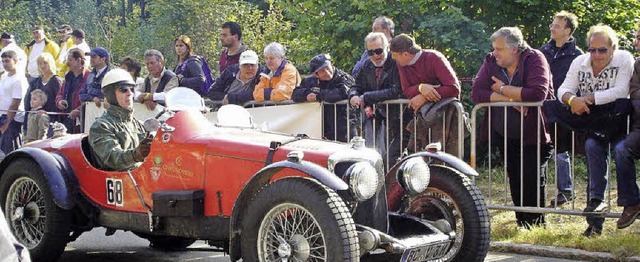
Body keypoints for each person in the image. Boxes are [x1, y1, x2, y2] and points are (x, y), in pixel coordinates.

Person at [555, 24, 634, 236]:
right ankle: (595, 216)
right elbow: (562, 89)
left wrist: (587, 99)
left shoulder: (624, 58)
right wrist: (572, 100)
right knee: (591, 148)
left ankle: (630, 203)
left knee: (621, 151)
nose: (596, 55)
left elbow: (621, 90)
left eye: (602, 50)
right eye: (592, 49)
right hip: (595, 123)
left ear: (613, 48)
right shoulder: (579, 62)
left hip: (620, 120)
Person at [471, 27, 553, 229]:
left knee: (532, 177)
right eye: (494, 48)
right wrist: (510, 98)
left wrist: (499, 87)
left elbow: (537, 94)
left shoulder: (535, 58)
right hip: (504, 132)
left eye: (499, 49)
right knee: (515, 176)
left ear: (515, 49)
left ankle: (535, 225)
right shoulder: (491, 61)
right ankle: (522, 224)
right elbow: (477, 92)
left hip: (534, 133)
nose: (494, 53)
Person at [389, 33, 462, 156]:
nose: (393, 58)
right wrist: (421, 88)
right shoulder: (402, 64)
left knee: (443, 156)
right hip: (419, 115)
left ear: (405, 54)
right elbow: (406, 90)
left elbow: (454, 88)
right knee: (405, 152)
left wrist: (424, 96)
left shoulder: (434, 58)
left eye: (395, 55)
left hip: (444, 117)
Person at [539, 11, 584, 207]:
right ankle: (538, 190)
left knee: (561, 149)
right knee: (542, 148)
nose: (552, 27)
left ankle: (565, 190)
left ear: (568, 30)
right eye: (552, 24)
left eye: (556, 25)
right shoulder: (543, 51)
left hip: (564, 108)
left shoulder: (578, 55)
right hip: (542, 107)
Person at [348, 32, 403, 165]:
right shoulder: (366, 65)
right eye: (370, 52)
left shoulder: (396, 63)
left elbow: (397, 90)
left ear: (387, 47)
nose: (375, 55)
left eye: (379, 51)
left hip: (396, 118)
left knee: (391, 158)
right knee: (371, 156)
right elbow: (356, 86)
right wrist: (353, 95)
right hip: (373, 119)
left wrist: (367, 97)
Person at [89, 68, 151, 171]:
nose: (129, 93)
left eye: (132, 89)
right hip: (121, 181)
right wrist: (136, 155)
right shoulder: (101, 126)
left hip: (142, 179)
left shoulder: (138, 124)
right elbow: (112, 158)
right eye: (123, 89)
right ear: (111, 95)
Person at [293, 53, 356, 142]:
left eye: (327, 68)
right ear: (316, 74)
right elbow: (295, 94)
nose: (327, 72)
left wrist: (318, 96)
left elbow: (342, 92)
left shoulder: (344, 78)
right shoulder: (309, 81)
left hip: (344, 127)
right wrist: (307, 95)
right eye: (322, 71)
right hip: (321, 128)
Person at [24, 53, 62, 132]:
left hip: (52, 121)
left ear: (50, 64)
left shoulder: (56, 81)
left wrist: (47, 112)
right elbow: (27, 100)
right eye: (40, 63)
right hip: (35, 119)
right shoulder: (35, 82)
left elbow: (59, 99)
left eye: (45, 63)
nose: (42, 66)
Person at [0, 51, 29, 154]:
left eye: (7, 61)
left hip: (13, 119)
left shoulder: (19, 79)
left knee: (11, 150)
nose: (4, 64)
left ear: (15, 61)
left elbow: (15, 103)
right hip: (2, 116)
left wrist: (6, 123)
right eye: (3, 61)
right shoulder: (4, 76)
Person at [56, 48, 91, 133]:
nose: (67, 63)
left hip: (82, 121)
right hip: (66, 119)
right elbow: (59, 94)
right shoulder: (68, 77)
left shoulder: (89, 77)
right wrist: (59, 101)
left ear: (78, 60)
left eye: (70, 60)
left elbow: (90, 98)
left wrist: (79, 110)